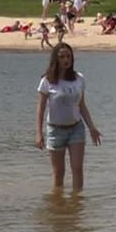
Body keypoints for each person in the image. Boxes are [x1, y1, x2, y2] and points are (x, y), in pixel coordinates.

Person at [35, 43, 102, 191]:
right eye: (62, 57)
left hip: (76, 129)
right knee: (59, 174)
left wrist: (92, 127)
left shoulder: (79, 78)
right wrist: (39, 134)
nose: (66, 59)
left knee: (77, 169)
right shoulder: (47, 81)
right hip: (55, 130)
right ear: (56, 59)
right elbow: (40, 108)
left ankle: (77, 204)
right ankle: (59, 208)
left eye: (69, 56)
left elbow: (82, 105)